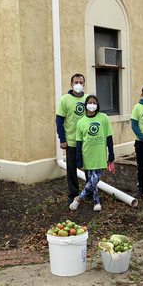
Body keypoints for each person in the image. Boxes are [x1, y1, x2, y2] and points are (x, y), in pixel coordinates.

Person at [70, 95, 115, 211]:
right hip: (87, 155)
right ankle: (96, 202)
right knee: (91, 181)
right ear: (85, 105)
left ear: (98, 104)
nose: (92, 104)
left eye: (94, 102)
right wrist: (79, 160)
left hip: (100, 155)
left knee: (95, 179)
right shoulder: (81, 122)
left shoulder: (103, 118)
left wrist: (111, 154)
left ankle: (79, 198)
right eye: (89, 102)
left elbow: (109, 137)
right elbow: (79, 142)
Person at [56, 73, 87, 205]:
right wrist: (62, 139)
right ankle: (73, 193)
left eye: (81, 82)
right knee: (71, 168)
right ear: (71, 84)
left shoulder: (88, 100)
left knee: (89, 168)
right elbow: (59, 120)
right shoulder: (65, 99)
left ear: (84, 84)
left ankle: (89, 191)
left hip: (87, 141)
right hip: (71, 141)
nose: (78, 84)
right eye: (76, 82)